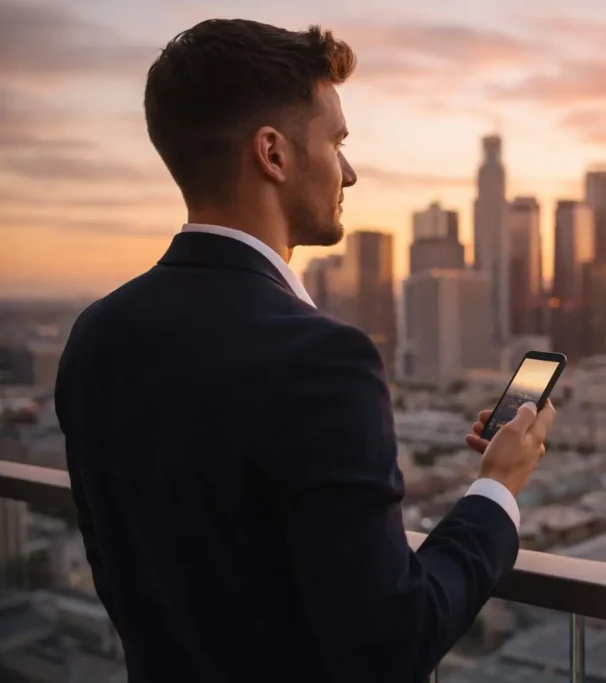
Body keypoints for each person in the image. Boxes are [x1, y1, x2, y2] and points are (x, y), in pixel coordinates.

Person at [54, 18, 555, 683]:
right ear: (274, 153)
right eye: (336, 140)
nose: (348, 170)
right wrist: (498, 484)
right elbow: (392, 642)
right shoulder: (322, 359)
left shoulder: (97, 335)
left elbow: (128, 577)